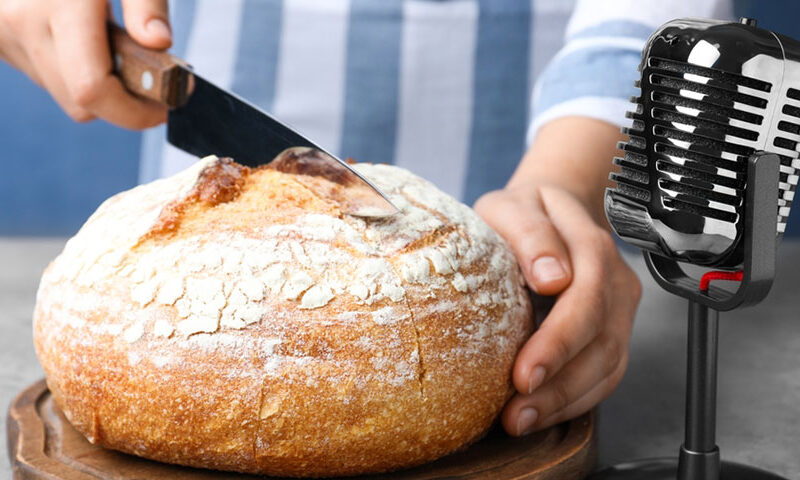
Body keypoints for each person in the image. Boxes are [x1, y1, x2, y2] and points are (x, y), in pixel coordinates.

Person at [0, 0, 731, 437]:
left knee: (476, 313)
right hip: (187, 278)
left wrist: (567, 176)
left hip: (531, 181)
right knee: (191, 357)